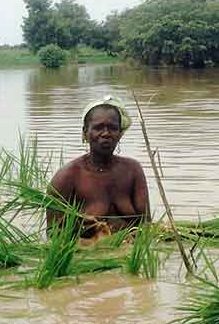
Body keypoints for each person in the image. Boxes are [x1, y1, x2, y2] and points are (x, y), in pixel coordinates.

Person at [47, 95, 150, 239]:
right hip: (87, 255)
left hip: (128, 251)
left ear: (120, 133)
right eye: (98, 128)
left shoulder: (133, 170)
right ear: (85, 132)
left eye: (113, 128)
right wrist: (80, 227)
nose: (106, 133)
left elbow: (146, 224)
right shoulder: (67, 176)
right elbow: (53, 234)